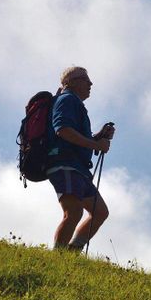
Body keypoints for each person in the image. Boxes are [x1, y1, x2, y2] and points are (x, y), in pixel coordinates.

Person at [45, 66, 115, 252]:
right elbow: (62, 130)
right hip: (64, 164)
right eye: (85, 79)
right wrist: (96, 145)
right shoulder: (67, 99)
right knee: (74, 212)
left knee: (99, 212)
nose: (90, 83)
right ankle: (58, 257)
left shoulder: (73, 102)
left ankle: (71, 253)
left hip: (77, 168)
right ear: (71, 82)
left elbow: (71, 133)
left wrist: (97, 137)